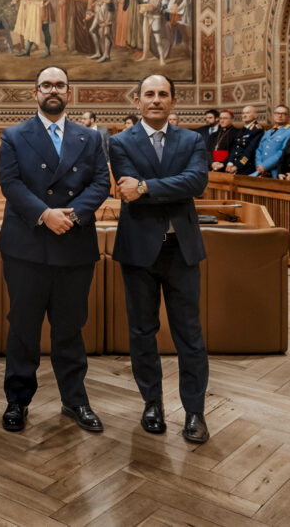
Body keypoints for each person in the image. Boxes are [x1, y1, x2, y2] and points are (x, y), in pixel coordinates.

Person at [0, 66, 110, 433]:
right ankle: (17, 401)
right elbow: (9, 183)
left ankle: (75, 400)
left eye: (60, 85)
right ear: (35, 93)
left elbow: (101, 183)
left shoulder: (89, 138)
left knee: (70, 328)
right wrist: (45, 214)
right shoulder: (14, 135)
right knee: (23, 328)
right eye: (46, 85)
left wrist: (72, 215)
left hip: (73, 244)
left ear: (69, 93)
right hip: (26, 245)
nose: (53, 90)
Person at [110, 74, 210, 444]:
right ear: (137, 100)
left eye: (163, 94)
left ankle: (195, 411)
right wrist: (165, 186)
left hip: (181, 249)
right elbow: (126, 189)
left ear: (173, 101)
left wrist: (147, 186)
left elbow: (196, 182)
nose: (156, 100)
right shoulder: (119, 142)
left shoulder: (192, 140)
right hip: (139, 250)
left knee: (190, 334)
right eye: (149, 94)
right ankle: (152, 403)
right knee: (142, 332)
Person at [254, 105, 290, 178]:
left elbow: (283, 152)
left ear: (288, 116)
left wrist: (264, 166)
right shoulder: (268, 132)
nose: (280, 115)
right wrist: (259, 165)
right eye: (277, 113)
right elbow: (259, 150)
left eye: (283, 114)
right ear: (273, 115)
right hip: (261, 171)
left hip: (275, 172)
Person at [226, 105, 262, 175]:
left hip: (246, 168)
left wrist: (237, 166)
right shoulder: (243, 129)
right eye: (243, 113)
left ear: (255, 115)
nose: (244, 115)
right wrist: (230, 163)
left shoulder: (257, 130)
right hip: (234, 166)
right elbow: (235, 147)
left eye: (247, 113)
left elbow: (250, 151)